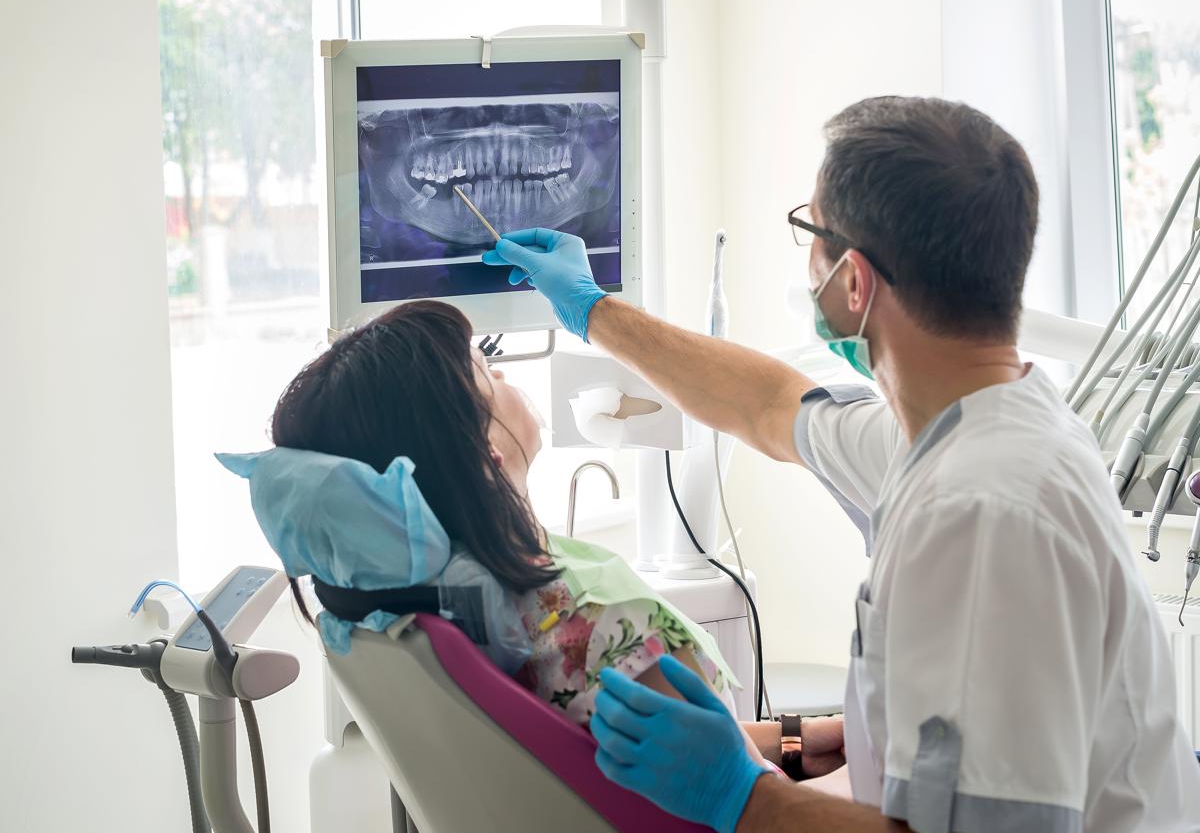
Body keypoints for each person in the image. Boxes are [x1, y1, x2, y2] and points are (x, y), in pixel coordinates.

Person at [480, 96, 1200, 832]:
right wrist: (592, 309)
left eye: (810, 231)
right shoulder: (967, 427)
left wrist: (743, 795)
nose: (807, 255)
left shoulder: (981, 512)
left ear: (854, 284)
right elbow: (765, 404)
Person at [224, 298, 836, 772]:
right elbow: (754, 806)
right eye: (488, 373)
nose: (509, 379)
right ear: (487, 453)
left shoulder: (449, 616)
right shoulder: (605, 628)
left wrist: (799, 738)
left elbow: (661, 752)